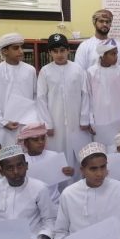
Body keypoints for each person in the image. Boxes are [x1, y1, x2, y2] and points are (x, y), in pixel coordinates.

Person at [37, 33, 91, 171]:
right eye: (55, 51)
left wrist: (84, 119)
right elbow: (41, 98)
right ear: (50, 53)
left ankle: (78, 181)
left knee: (80, 154)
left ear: (68, 51)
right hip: (55, 122)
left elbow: (85, 94)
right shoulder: (45, 71)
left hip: (76, 121)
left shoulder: (78, 70)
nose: (59, 54)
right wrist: (47, 124)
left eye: (62, 50)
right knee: (57, 155)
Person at [0, 32, 36, 147]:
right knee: (7, 154)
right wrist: (4, 122)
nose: (21, 51)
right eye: (15, 48)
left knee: (26, 153)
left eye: (21, 47)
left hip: (27, 123)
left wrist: (31, 118)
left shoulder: (30, 70)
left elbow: (35, 95)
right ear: (4, 51)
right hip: (4, 125)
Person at [87, 39, 120, 150]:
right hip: (98, 121)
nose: (116, 57)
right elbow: (88, 98)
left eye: (116, 53)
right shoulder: (91, 72)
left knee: (116, 149)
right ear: (103, 55)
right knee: (100, 150)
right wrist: (91, 120)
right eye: (112, 54)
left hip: (117, 120)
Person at [18, 123, 73, 203]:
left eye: (43, 138)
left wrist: (69, 172)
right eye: (35, 140)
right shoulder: (21, 160)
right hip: (30, 203)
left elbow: (63, 182)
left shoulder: (54, 156)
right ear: (26, 143)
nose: (41, 142)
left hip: (54, 202)